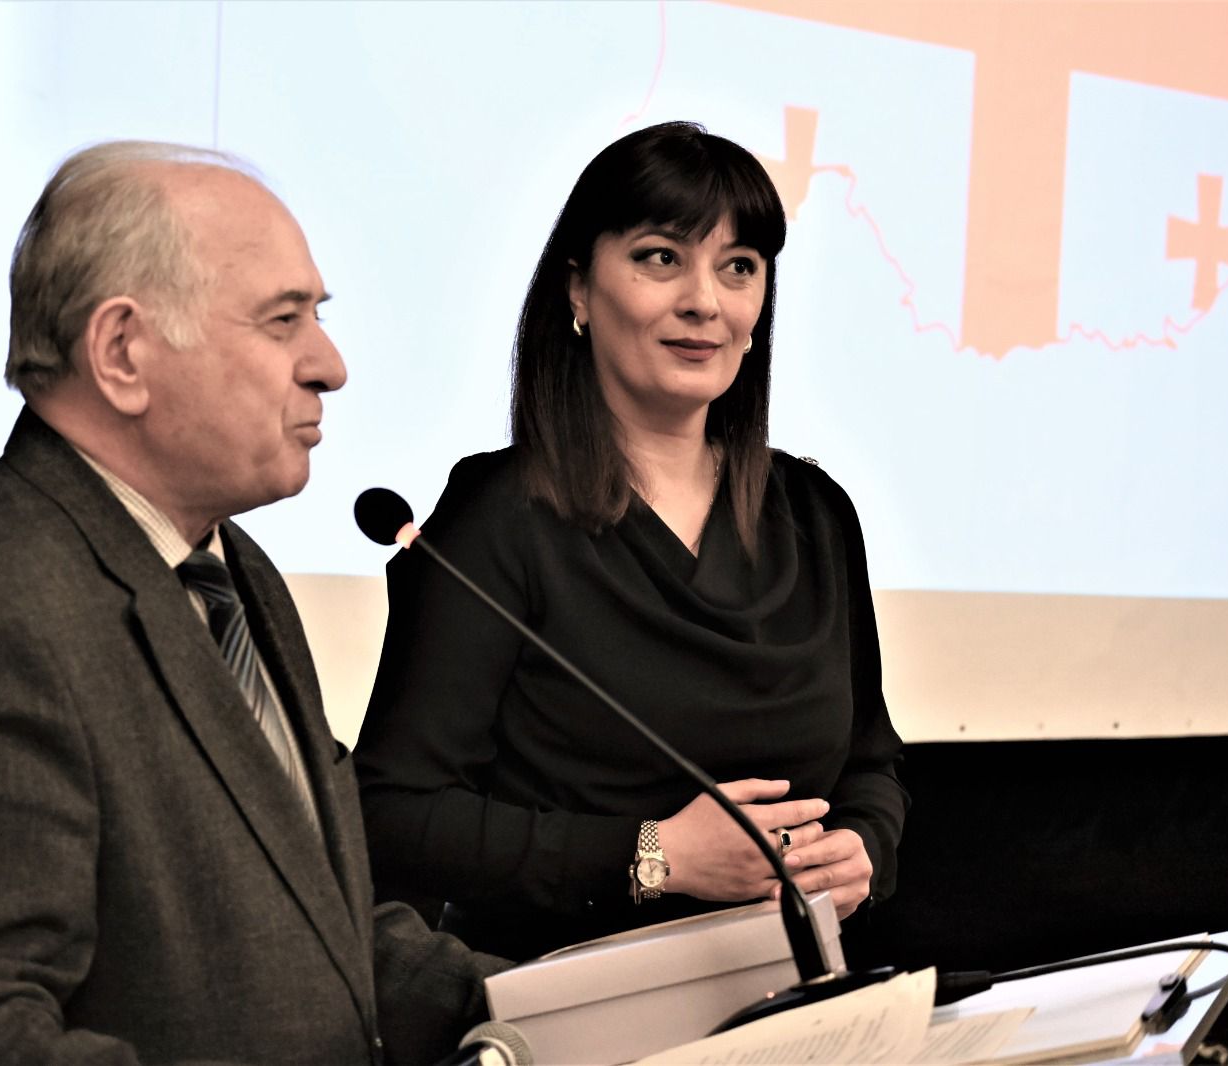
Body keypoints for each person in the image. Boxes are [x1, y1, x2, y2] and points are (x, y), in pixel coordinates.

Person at [0, 142, 504, 1065]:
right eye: (283, 320)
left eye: (318, 318)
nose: (330, 365)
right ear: (123, 353)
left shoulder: (233, 570)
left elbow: (319, 919)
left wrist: (565, 1007)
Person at [354, 121, 909, 963]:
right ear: (578, 289)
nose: (705, 301)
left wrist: (864, 845)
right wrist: (656, 856)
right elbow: (394, 815)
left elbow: (872, 761)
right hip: (565, 1004)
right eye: (661, 258)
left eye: (739, 267)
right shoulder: (499, 516)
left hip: (795, 989)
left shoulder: (817, 514)